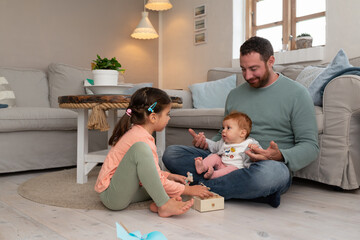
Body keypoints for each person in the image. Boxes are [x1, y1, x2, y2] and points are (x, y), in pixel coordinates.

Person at [162, 36, 319, 208]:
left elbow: (310, 146)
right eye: (243, 69)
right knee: (172, 154)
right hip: (225, 161)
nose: (248, 76)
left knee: (271, 175)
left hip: (265, 166)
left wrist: (279, 155)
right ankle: (250, 193)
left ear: (271, 61)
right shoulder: (235, 95)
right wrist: (207, 144)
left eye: (253, 69)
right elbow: (223, 135)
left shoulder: (297, 94)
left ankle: (198, 188)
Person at [94, 87, 212, 217]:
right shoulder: (141, 140)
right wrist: (188, 190)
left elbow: (146, 172)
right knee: (142, 151)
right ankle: (164, 205)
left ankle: (158, 201)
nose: (169, 118)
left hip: (124, 189)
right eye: (167, 114)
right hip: (112, 196)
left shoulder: (140, 133)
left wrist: (169, 176)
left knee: (163, 185)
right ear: (153, 117)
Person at [194, 111, 261, 179]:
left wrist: (255, 149)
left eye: (228, 128)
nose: (223, 131)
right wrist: (204, 140)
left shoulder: (249, 143)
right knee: (215, 156)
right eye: (223, 128)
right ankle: (203, 167)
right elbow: (213, 146)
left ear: (242, 133)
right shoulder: (223, 142)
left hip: (236, 170)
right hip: (221, 165)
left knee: (232, 169)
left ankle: (213, 175)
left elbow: (260, 154)